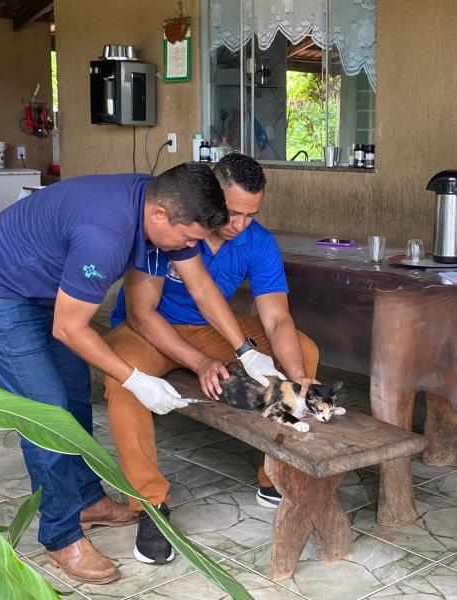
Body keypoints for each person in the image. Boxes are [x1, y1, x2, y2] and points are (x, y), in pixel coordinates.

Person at [0, 163, 283, 585]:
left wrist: (246, 351)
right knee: (46, 411)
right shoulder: (104, 236)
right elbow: (70, 327)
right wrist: (136, 379)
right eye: (189, 239)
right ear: (160, 217)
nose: (191, 248)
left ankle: (86, 499)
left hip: (44, 290)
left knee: (72, 398)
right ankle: (61, 535)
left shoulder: (163, 203)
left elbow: (200, 285)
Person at [103, 153, 319, 565]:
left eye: (250, 214)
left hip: (212, 331)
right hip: (148, 330)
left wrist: (298, 378)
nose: (239, 224)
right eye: (232, 212)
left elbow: (276, 318)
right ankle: (150, 504)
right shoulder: (175, 229)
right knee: (124, 382)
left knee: (302, 351)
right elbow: (139, 313)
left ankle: (273, 475)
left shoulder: (257, 241)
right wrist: (198, 362)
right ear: (210, 197)